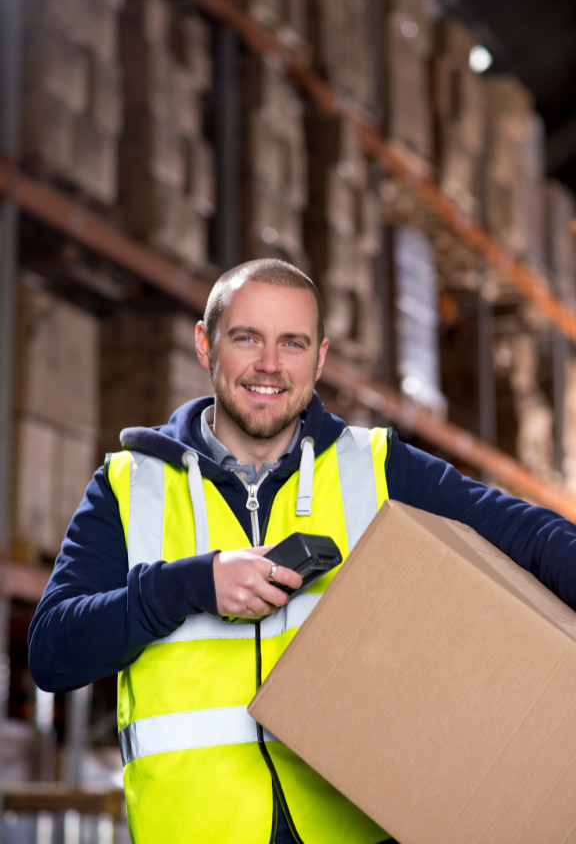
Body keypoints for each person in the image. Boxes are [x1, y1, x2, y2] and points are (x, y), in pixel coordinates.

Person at [29, 259, 576, 844]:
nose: (270, 365)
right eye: (247, 338)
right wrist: (191, 585)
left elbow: (530, 536)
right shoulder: (128, 487)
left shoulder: (375, 467)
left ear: (318, 359)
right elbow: (53, 654)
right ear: (205, 345)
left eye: (293, 343)